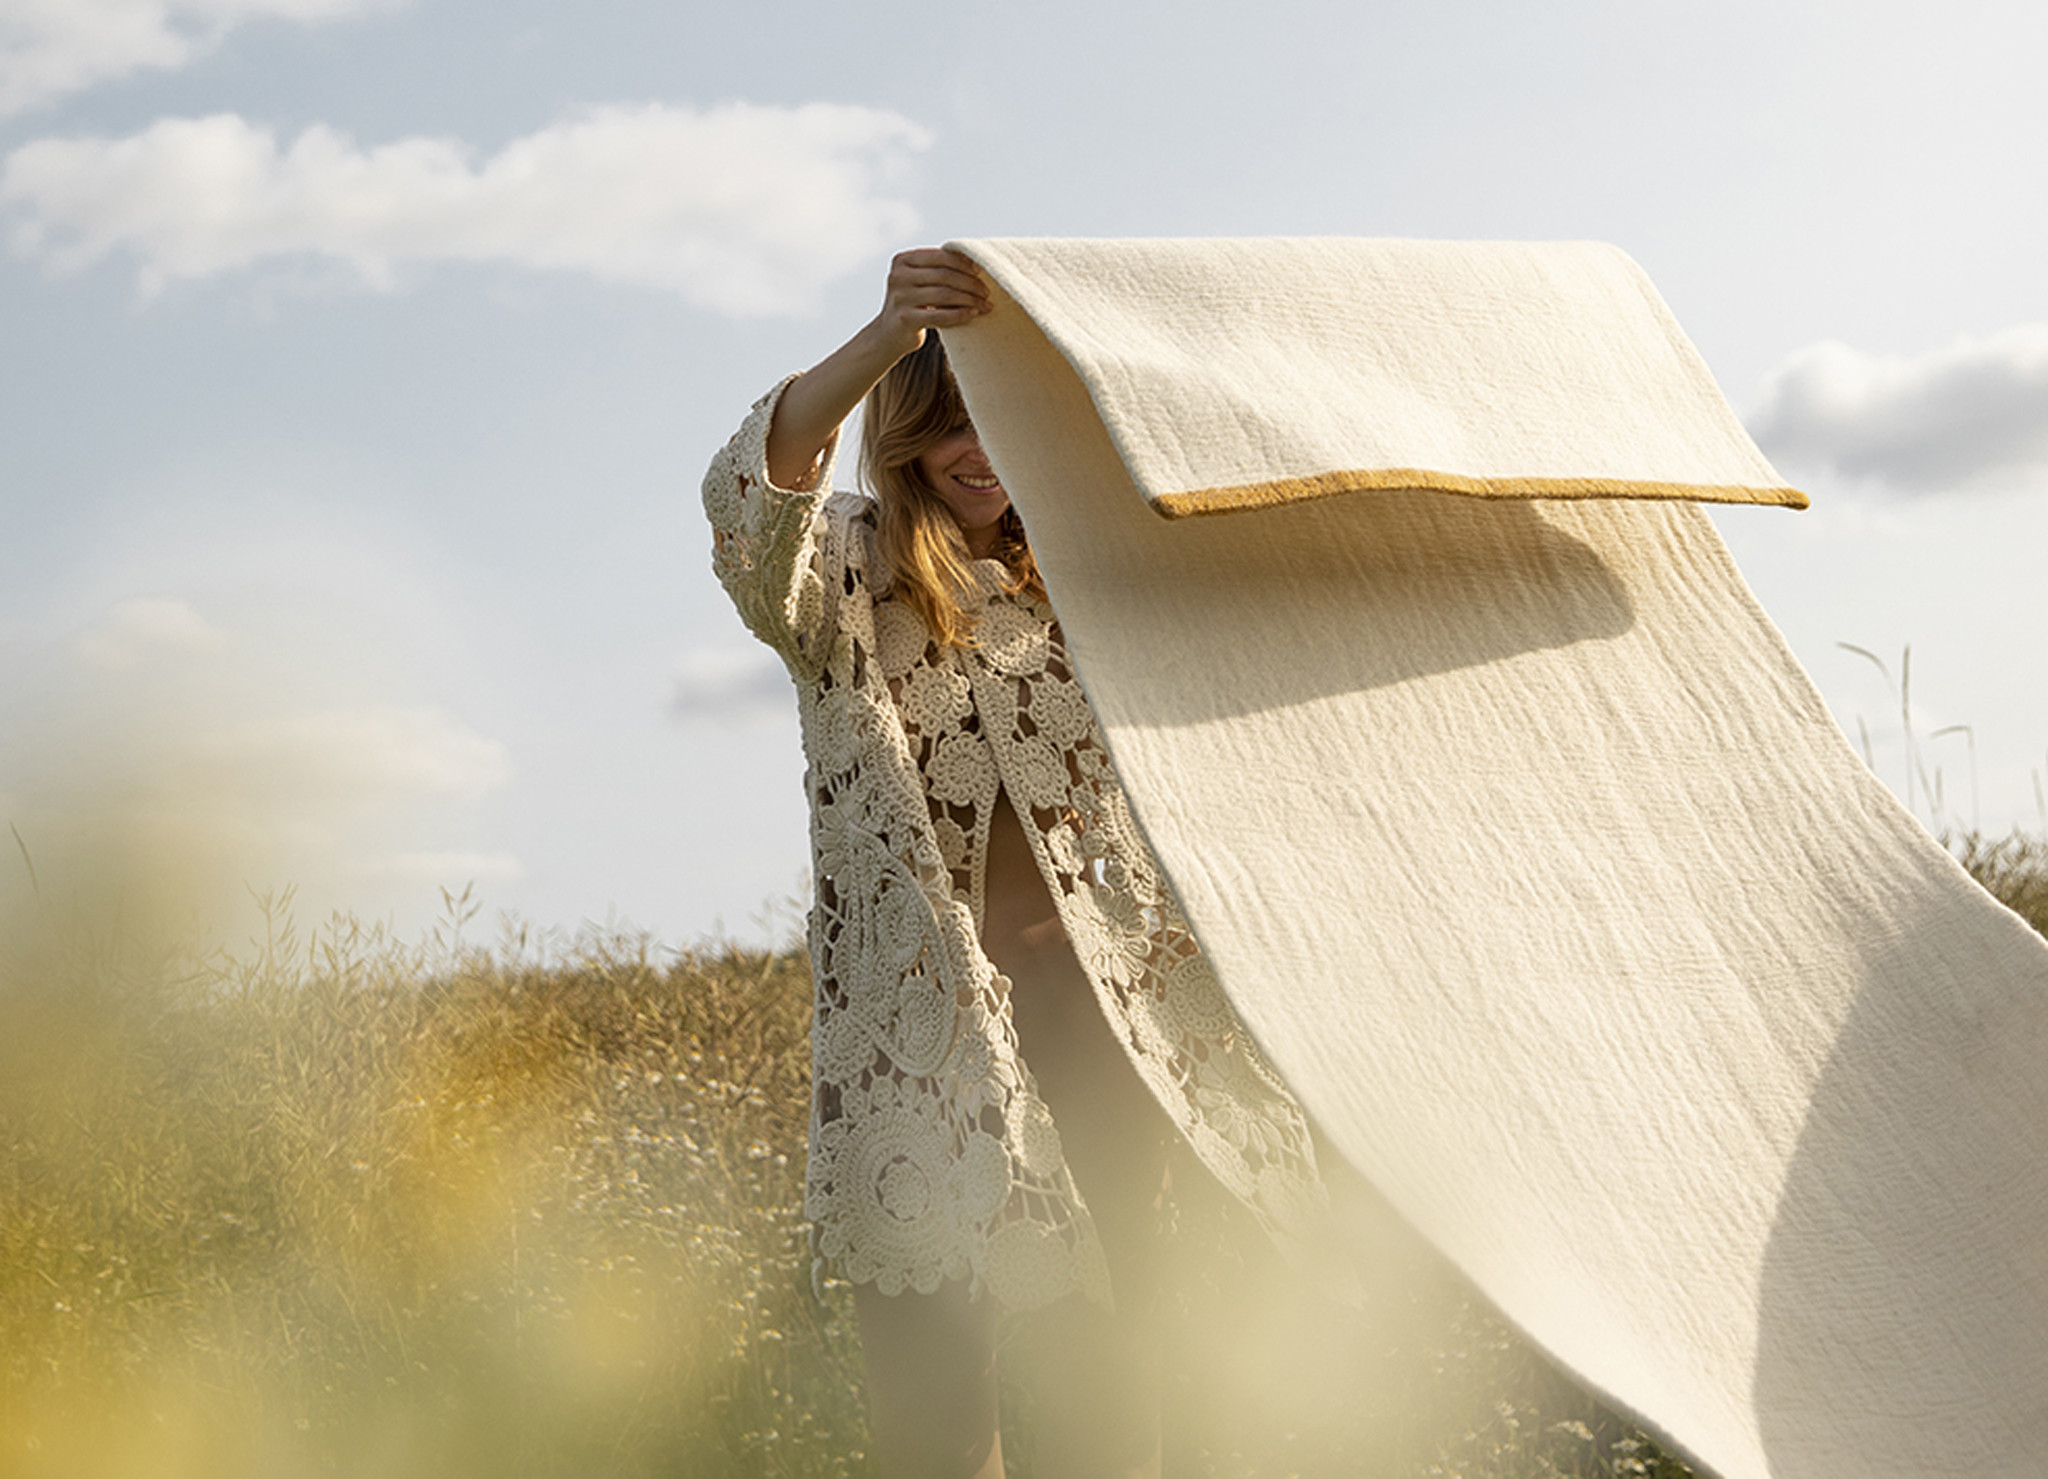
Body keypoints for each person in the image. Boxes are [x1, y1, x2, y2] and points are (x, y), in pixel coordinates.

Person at [701, 248, 1330, 1479]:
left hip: (1106, 1037)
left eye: (1006, 418)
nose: (981, 449)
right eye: (953, 421)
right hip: (916, 1054)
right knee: (936, 1428)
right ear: (909, 428)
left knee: (1111, 1406)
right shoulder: (839, 577)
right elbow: (748, 495)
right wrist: (887, 334)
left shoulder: (1094, 585)